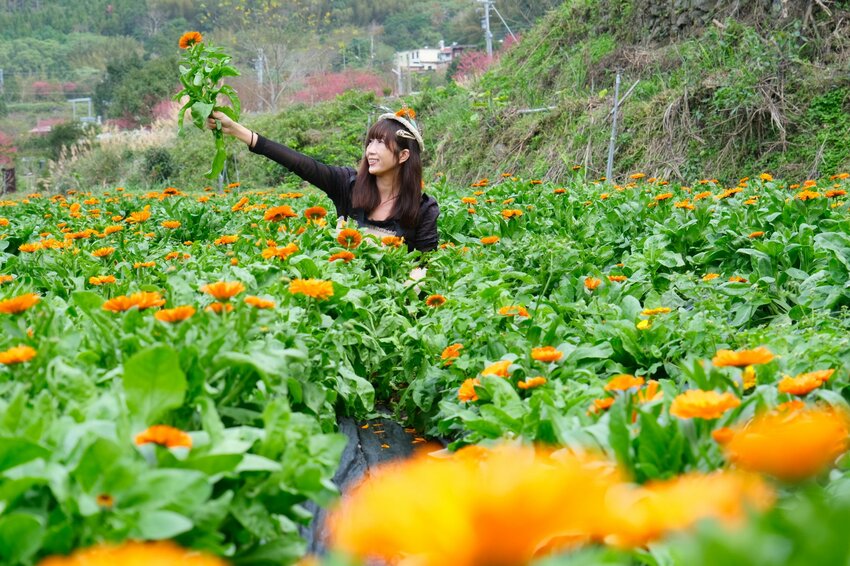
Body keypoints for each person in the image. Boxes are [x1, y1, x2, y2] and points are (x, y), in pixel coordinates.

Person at [207, 109, 439, 252]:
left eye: (380, 143)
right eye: (370, 142)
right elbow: (299, 163)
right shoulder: (347, 185)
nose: (371, 150)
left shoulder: (423, 209)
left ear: (403, 155)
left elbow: (425, 268)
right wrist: (236, 130)